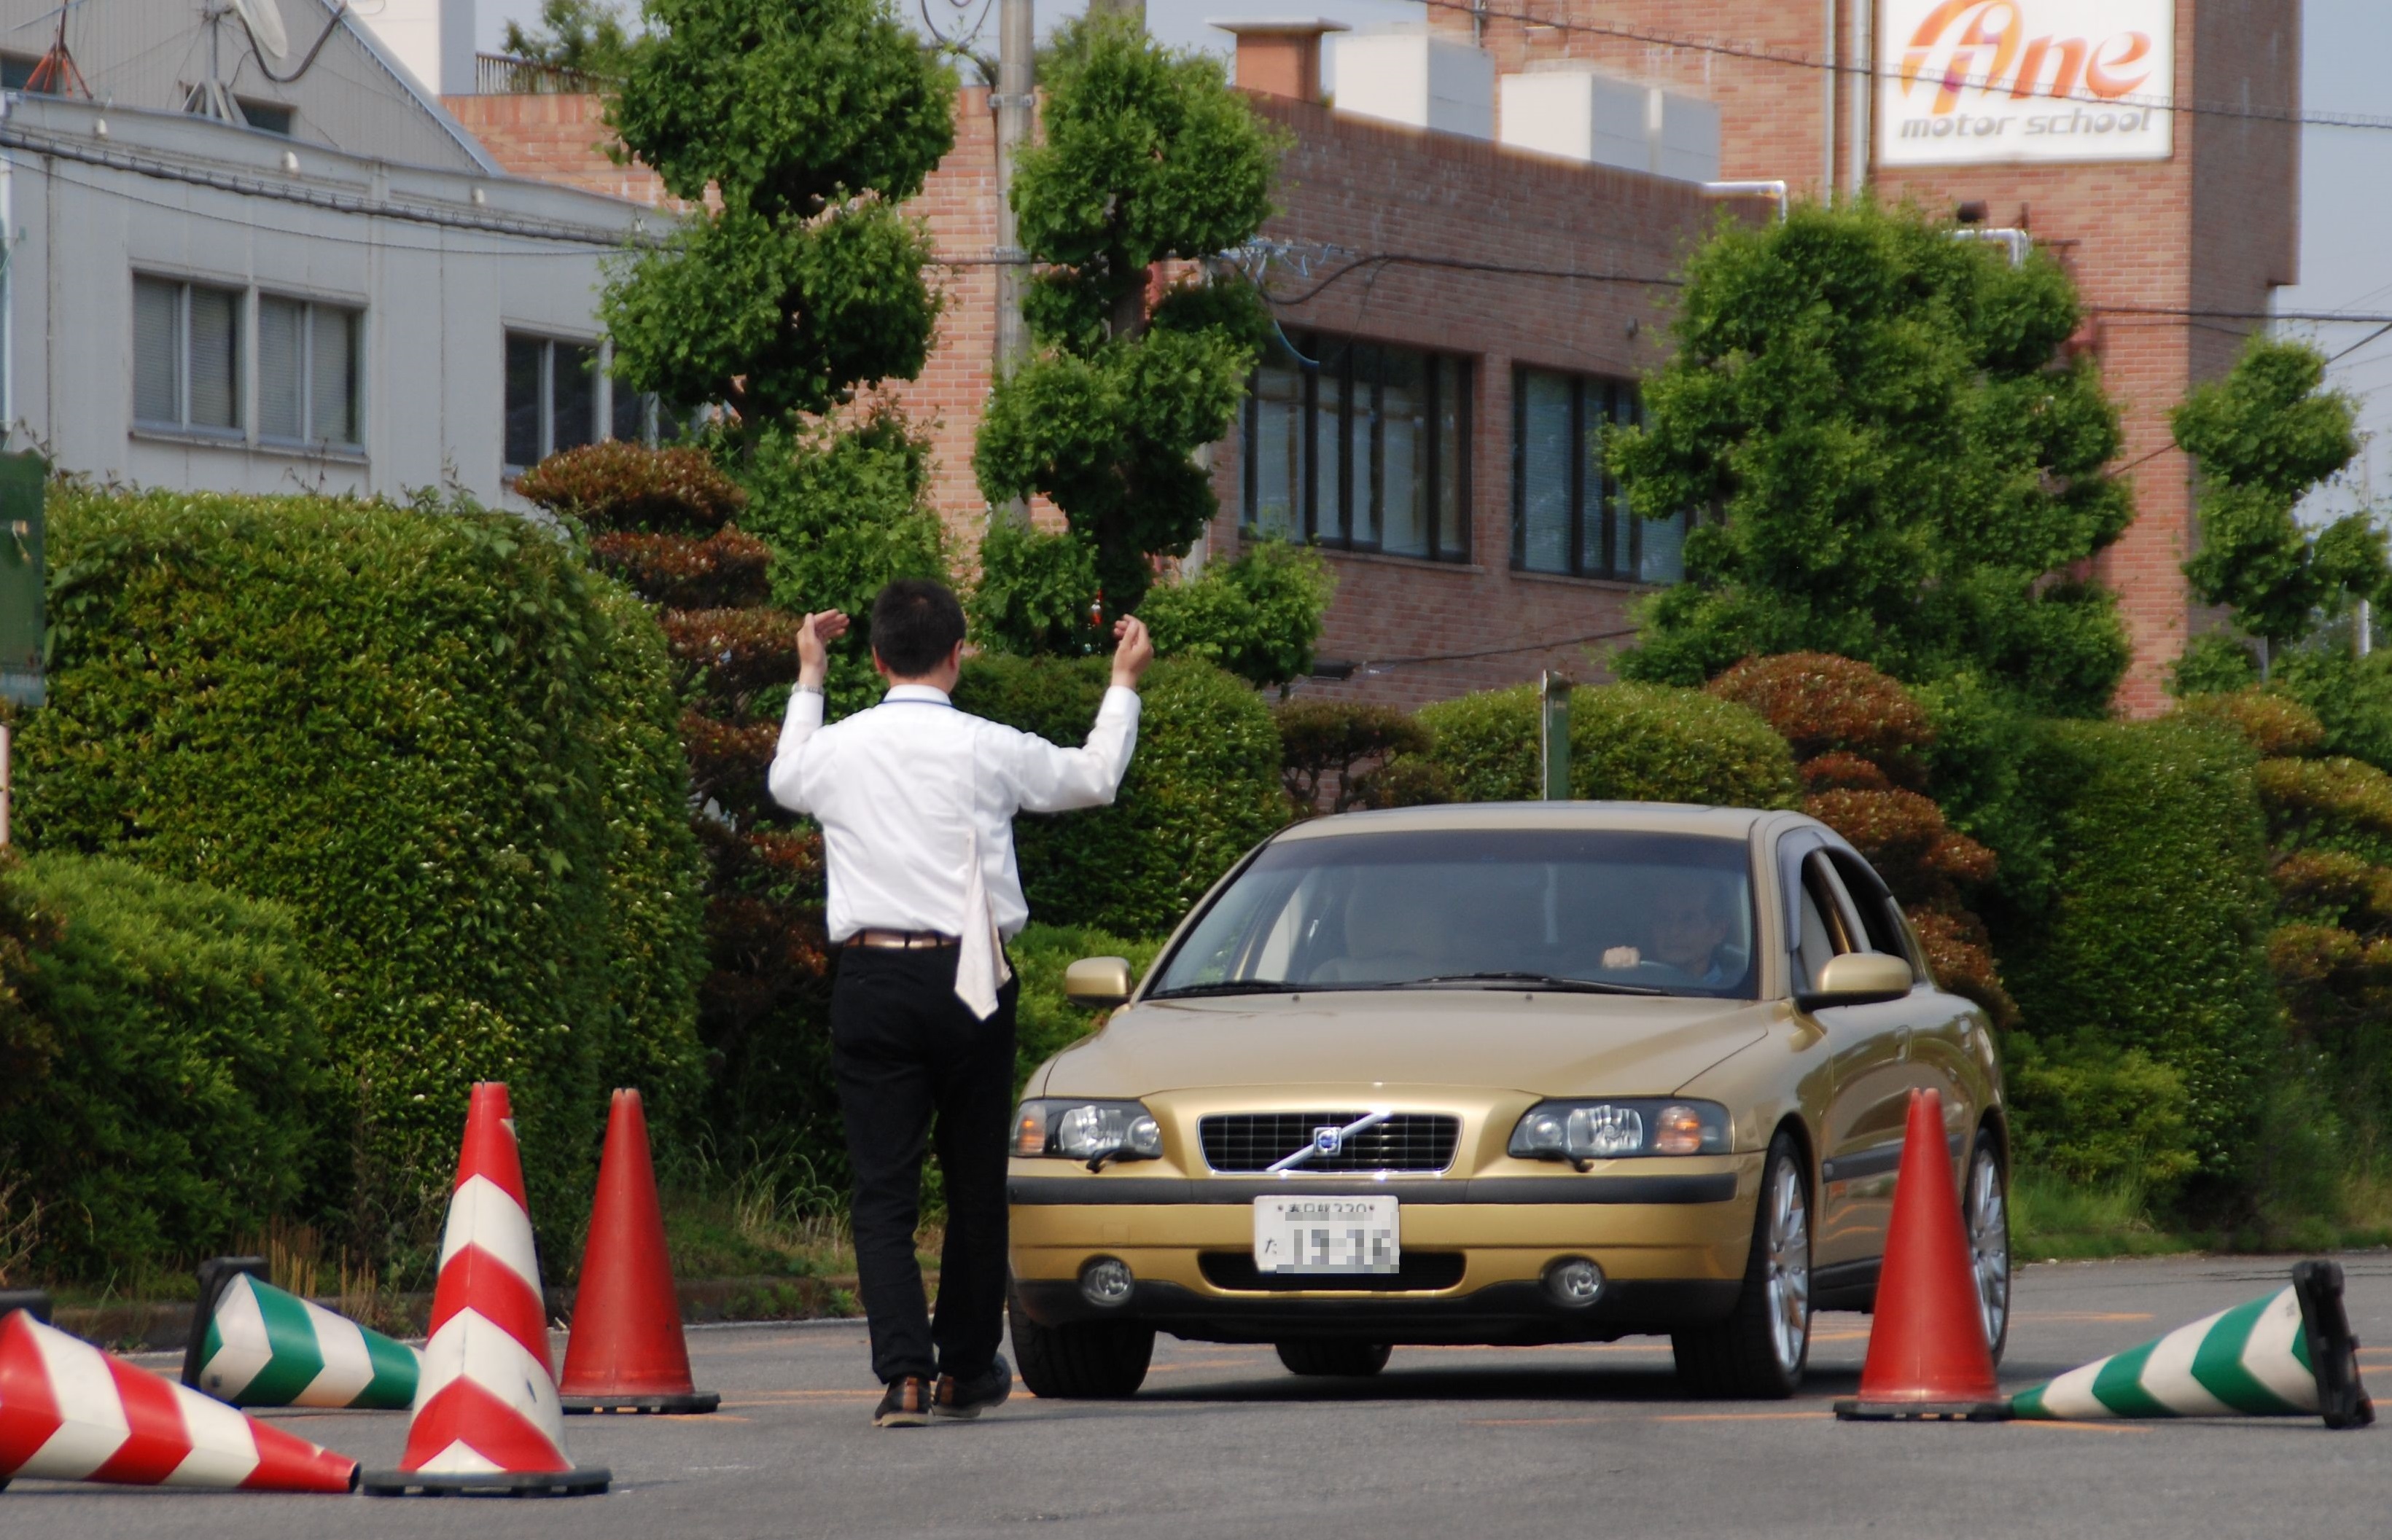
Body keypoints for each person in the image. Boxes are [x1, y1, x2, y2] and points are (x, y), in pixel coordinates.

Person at [766, 579, 1153, 1428]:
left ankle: (902, 1374)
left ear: (874, 657)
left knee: (883, 1190)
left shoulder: (836, 748)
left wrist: (807, 675)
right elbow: (1091, 779)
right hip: (972, 974)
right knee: (974, 1183)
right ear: (956, 653)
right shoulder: (984, 745)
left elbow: (784, 779)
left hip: (871, 974)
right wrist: (1121, 684)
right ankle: (966, 1367)